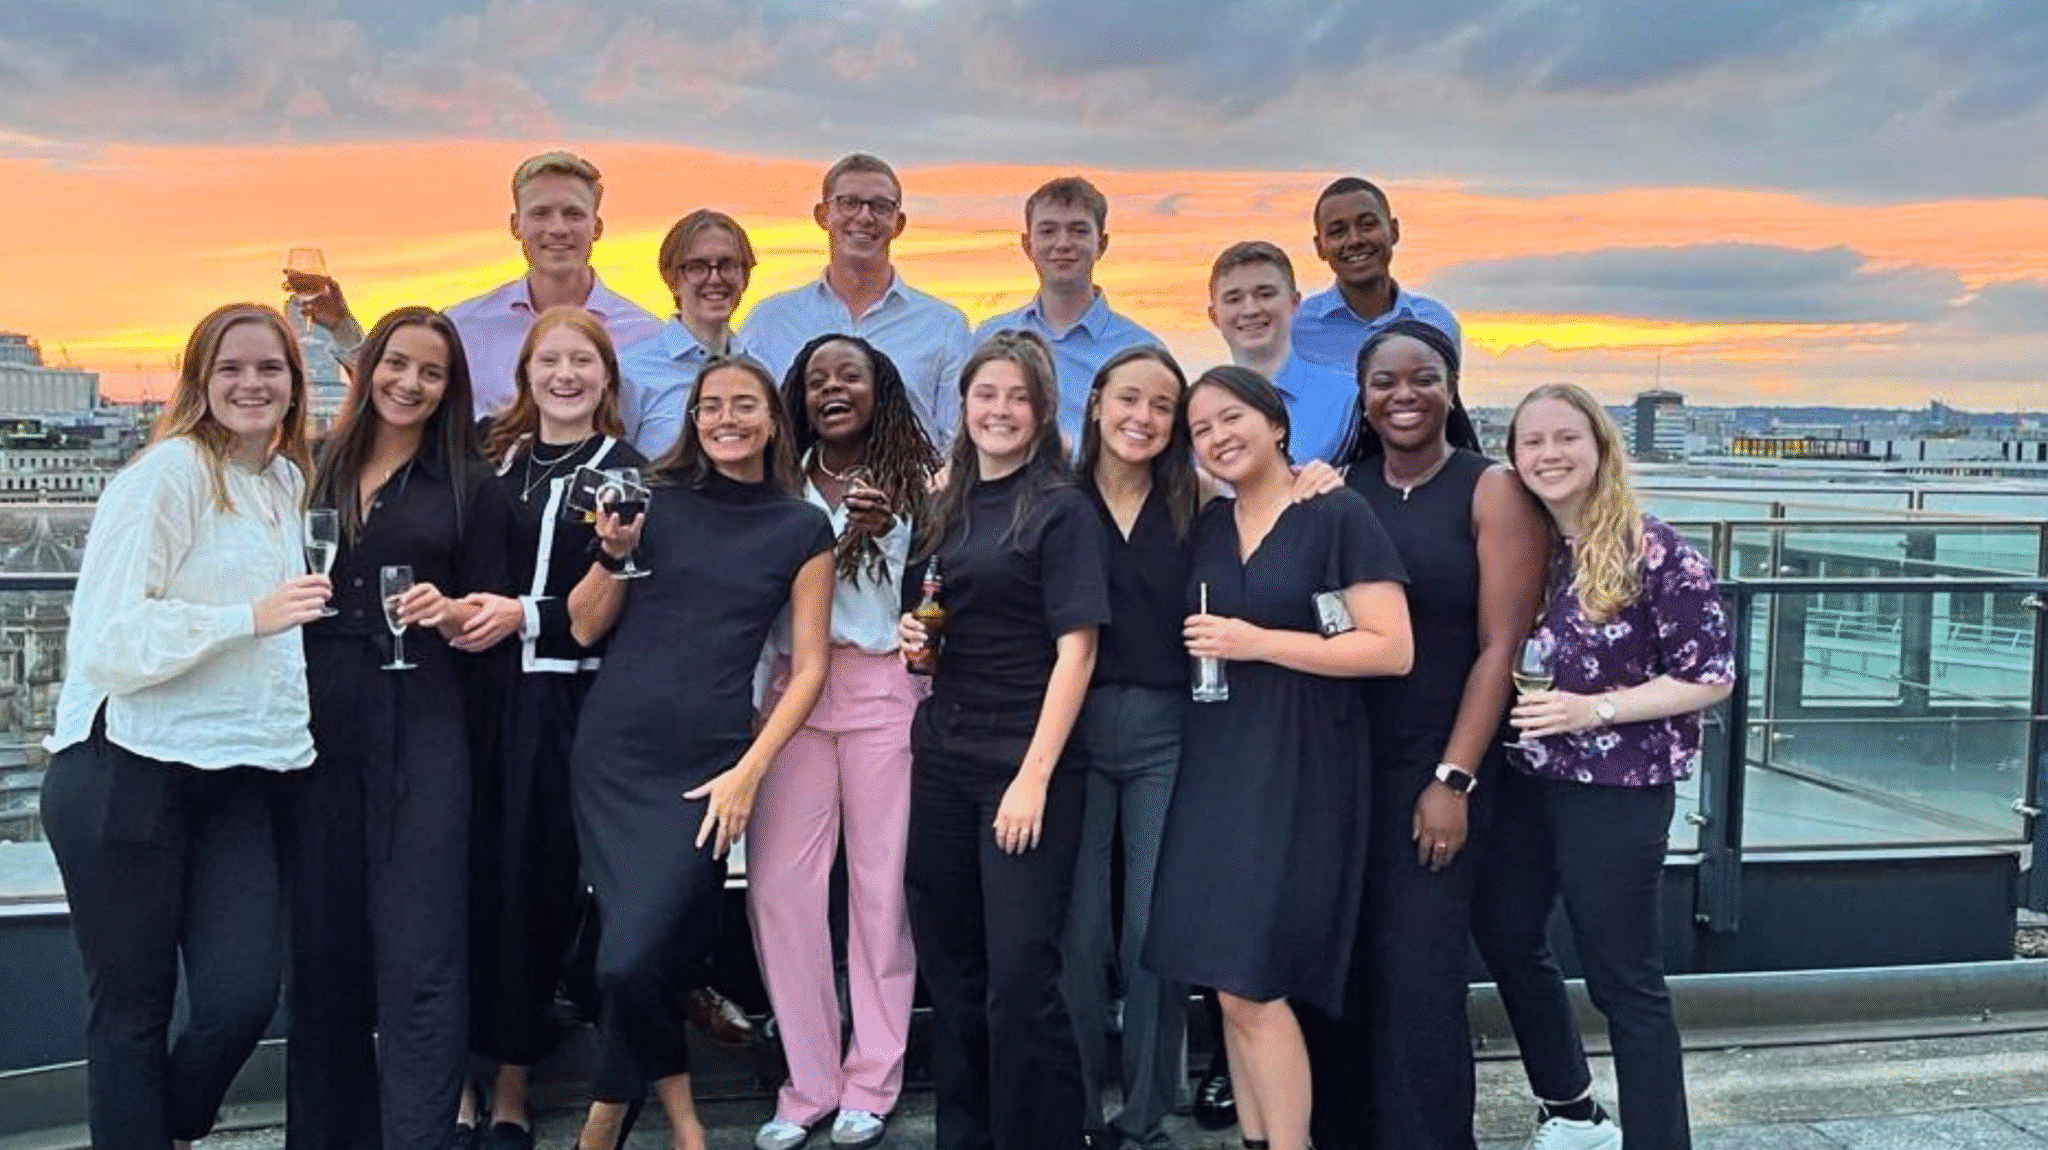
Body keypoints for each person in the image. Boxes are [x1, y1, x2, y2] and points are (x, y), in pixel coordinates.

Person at [41, 303, 326, 1150]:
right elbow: (108, 642)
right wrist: (248, 615)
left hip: (238, 770)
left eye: (269, 368)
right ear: (198, 381)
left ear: (293, 383)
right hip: (124, 766)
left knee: (243, 997)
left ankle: (164, 1128)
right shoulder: (164, 477)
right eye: (231, 368)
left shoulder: (282, 483)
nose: (251, 384)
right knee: (131, 1014)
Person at [568, 356, 836, 1150]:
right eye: (711, 405)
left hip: (709, 767)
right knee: (632, 955)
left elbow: (811, 667)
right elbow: (585, 626)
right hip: (612, 753)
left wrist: (749, 771)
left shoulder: (801, 525)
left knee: (631, 959)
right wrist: (613, 553)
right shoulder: (655, 499)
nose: (726, 418)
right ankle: (670, 1121)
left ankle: (605, 1116)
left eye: (744, 405)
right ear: (692, 416)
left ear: (771, 420)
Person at [1146, 365, 1412, 1150]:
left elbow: (1390, 648)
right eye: (1201, 430)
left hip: (1302, 764)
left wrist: (1258, 643)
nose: (1219, 437)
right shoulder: (1207, 525)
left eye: (1233, 418)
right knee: (1227, 985)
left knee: (1255, 982)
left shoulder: (1336, 513)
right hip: (1217, 763)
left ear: (1277, 425)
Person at [1304, 320, 1549, 1150]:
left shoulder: (1492, 489)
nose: (1402, 395)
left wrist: (1453, 780)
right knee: (1342, 972)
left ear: (1451, 388)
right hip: (1343, 767)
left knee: (1418, 978)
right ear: (1362, 399)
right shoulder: (1342, 489)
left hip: (1439, 766)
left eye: (1422, 379)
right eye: (1384, 382)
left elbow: (1500, 649)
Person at [1474, 383, 1735, 1150]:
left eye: (1566, 439)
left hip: (1617, 791)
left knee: (1625, 977)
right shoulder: (1529, 550)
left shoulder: (1654, 549)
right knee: (1505, 932)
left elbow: (1712, 674)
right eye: (1533, 443)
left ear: (1600, 448)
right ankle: (1573, 1110)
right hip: (1526, 781)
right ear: (1514, 457)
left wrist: (1596, 709)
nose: (1550, 455)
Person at [283, 305, 512, 1150]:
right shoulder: (312, 469)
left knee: (421, 949)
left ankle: (418, 1136)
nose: (410, 384)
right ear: (369, 365)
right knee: (324, 946)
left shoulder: (470, 486)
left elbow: (487, 623)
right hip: (317, 723)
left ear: (449, 389)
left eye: (432, 372)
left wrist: (452, 613)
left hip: (423, 717)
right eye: (398, 365)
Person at [896, 330, 1109, 1150]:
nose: (1000, 411)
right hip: (945, 758)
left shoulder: (1061, 510)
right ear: (964, 405)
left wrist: (1033, 779)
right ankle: (966, 1134)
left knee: (1021, 979)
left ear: (1042, 410)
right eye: (987, 395)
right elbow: (944, 616)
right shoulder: (946, 504)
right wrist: (924, 643)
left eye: (1018, 397)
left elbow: (1077, 650)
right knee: (953, 973)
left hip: (1026, 764)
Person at [444, 306, 646, 1150]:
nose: (565, 375)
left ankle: (514, 1088)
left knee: (531, 888)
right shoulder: (498, 457)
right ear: (524, 373)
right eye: (548, 360)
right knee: (456, 884)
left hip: (555, 702)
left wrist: (519, 614)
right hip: (467, 696)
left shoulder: (624, 474)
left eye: (583, 361)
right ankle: (453, 1077)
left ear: (606, 378)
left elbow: (601, 615)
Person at [747, 334, 942, 1150]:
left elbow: (935, 589)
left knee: (880, 891)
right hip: (792, 694)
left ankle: (874, 1078)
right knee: (780, 894)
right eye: (817, 376)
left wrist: (897, 525)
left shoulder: (921, 485)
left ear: (880, 389)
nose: (833, 387)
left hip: (881, 690)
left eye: (850, 375)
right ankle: (809, 1083)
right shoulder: (773, 480)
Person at [298, 151, 661, 416]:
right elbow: (399, 394)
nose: (557, 228)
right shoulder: (464, 325)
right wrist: (343, 328)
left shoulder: (645, 335)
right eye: (540, 213)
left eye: (573, 214)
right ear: (515, 225)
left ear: (596, 228)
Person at [740, 152, 974, 447]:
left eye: (880, 206)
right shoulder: (770, 322)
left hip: (912, 491)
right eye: (849, 203)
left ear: (898, 223)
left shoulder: (944, 327)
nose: (864, 217)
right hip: (795, 491)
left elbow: (957, 443)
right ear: (823, 215)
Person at [973, 176, 1160, 444]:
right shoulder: (989, 339)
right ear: (1027, 245)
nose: (1063, 244)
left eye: (1079, 231)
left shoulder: (1142, 350)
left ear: (1102, 244)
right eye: (1048, 231)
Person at [617, 209, 760, 459]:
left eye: (727, 265)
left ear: (744, 277)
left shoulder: (760, 372)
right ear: (671, 279)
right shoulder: (631, 373)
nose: (714, 278)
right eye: (697, 267)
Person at [1208, 241, 1359, 465]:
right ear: (1214, 315)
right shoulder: (1198, 408)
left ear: (1295, 303)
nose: (1250, 310)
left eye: (1265, 294)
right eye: (1234, 299)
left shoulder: (1347, 397)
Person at [1292, 177, 1461, 374]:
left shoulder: (1436, 322)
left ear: (1394, 231)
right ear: (1319, 247)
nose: (1354, 240)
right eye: (1338, 232)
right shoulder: (1294, 329)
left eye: (1368, 225)